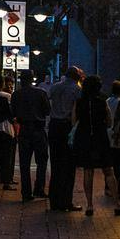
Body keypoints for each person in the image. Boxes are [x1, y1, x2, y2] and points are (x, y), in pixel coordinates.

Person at [73, 73, 120, 217]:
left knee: (88, 171)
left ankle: (89, 205)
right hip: (100, 137)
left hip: (84, 137)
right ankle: (117, 205)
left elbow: (73, 120)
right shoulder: (102, 101)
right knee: (108, 171)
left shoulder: (79, 101)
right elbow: (109, 122)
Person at [46, 66, 82, 211]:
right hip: (67, 126)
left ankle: (54, 200)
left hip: (54, 126)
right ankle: (66, 201)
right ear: (76, 76)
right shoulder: (77, 90)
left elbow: (48, 103)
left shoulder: (55, 87)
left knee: (55, 165)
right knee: (68, 166)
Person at [13, 72, 50, 201]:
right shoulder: (41, 93)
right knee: (42, 161)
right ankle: (39, 188)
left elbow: (13, 112)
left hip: (24, 130)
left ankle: (26, 192)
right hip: (38, 130)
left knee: (24, 163)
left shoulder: (16, 94)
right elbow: (47, 110)